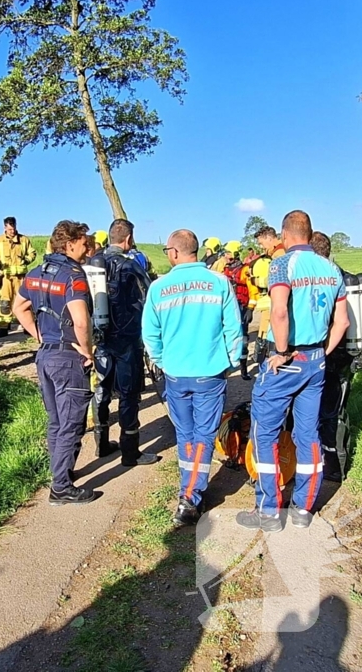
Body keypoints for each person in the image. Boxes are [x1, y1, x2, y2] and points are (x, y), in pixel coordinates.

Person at [237, 211, 349, 532]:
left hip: (287, 359)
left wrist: (284, 351)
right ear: (310, 233)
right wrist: (321, 353)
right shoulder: (331, 267)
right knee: (307, 434)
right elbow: (341, 322)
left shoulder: (282, 264)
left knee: (265, 433)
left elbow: (280, 311)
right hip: (315, 360)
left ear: (285, 235)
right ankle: (303, 509)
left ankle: (269, 511)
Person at [143, 230, 243, 525]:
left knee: (185, 434)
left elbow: (150, 334)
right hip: (210, 374)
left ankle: (189, 492)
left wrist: (163, 361)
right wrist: (231, 361)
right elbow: (234, 330)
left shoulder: (159, 287)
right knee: (203, 435)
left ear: (174, 252)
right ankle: (191, 494)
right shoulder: (219, 283)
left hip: (176, 375)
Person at [13, 220, 98, 504]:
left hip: (45, 355)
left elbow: (18, 307)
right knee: (71, 423)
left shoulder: (36, 273)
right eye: (84, 244)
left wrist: (38, 334)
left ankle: (61, 474)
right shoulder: (74, 276)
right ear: (70, 243)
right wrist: (87, 352)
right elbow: (81, 321)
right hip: (68, 357)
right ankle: (61, 487)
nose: (88, 250)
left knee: (56, 421)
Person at [88, 220, 158, 466]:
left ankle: (101, 443)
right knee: (129, 394)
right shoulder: (130, 266)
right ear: (128, 239)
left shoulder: (91, 265)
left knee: (102, 390)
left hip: (100, 340)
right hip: (128, 340)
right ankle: (130, 453)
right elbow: (150, 298)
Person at [310, 231, 355, 483]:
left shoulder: (322, 278)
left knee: (321, 413)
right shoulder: (345, 276)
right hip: (345, 356)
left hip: (325, 354)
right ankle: (335, 464)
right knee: (335, 411)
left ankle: (326, 465)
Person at [0, 216, 38, 338]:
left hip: (21, 277)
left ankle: (27, 326)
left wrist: (26, 260)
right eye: (10, 229)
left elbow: (32, 253)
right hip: (6, 277)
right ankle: (4, 328)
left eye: (14, 228)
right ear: (5, 227)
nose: (12, 231)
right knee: (5, 303)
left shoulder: (23, 240)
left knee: (24, 302)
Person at [251, 226, 287, 363]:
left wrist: (256, 280)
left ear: (269, 238)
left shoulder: (279, 254)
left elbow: (275, 279)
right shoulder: (279, 252)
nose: (261, 247)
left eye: (261, 243)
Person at [221, 240, 252, 380]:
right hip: (229, 307)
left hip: (242, 307)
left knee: (244, 339)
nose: (225, 255)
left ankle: (244, 369)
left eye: (228, 252)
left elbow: (253, 291)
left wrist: (251, 308)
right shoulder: (225, 270)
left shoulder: (245, 270)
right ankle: (227, 366)